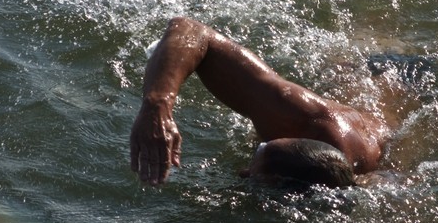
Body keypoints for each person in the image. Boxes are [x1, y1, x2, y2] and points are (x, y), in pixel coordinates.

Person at [129, 17, 390, 187]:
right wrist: (158, 105)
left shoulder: (368, 183)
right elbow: (191, 30)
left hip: (391, 96)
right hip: (376, 67)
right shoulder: (298, 115)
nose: (243, 172)